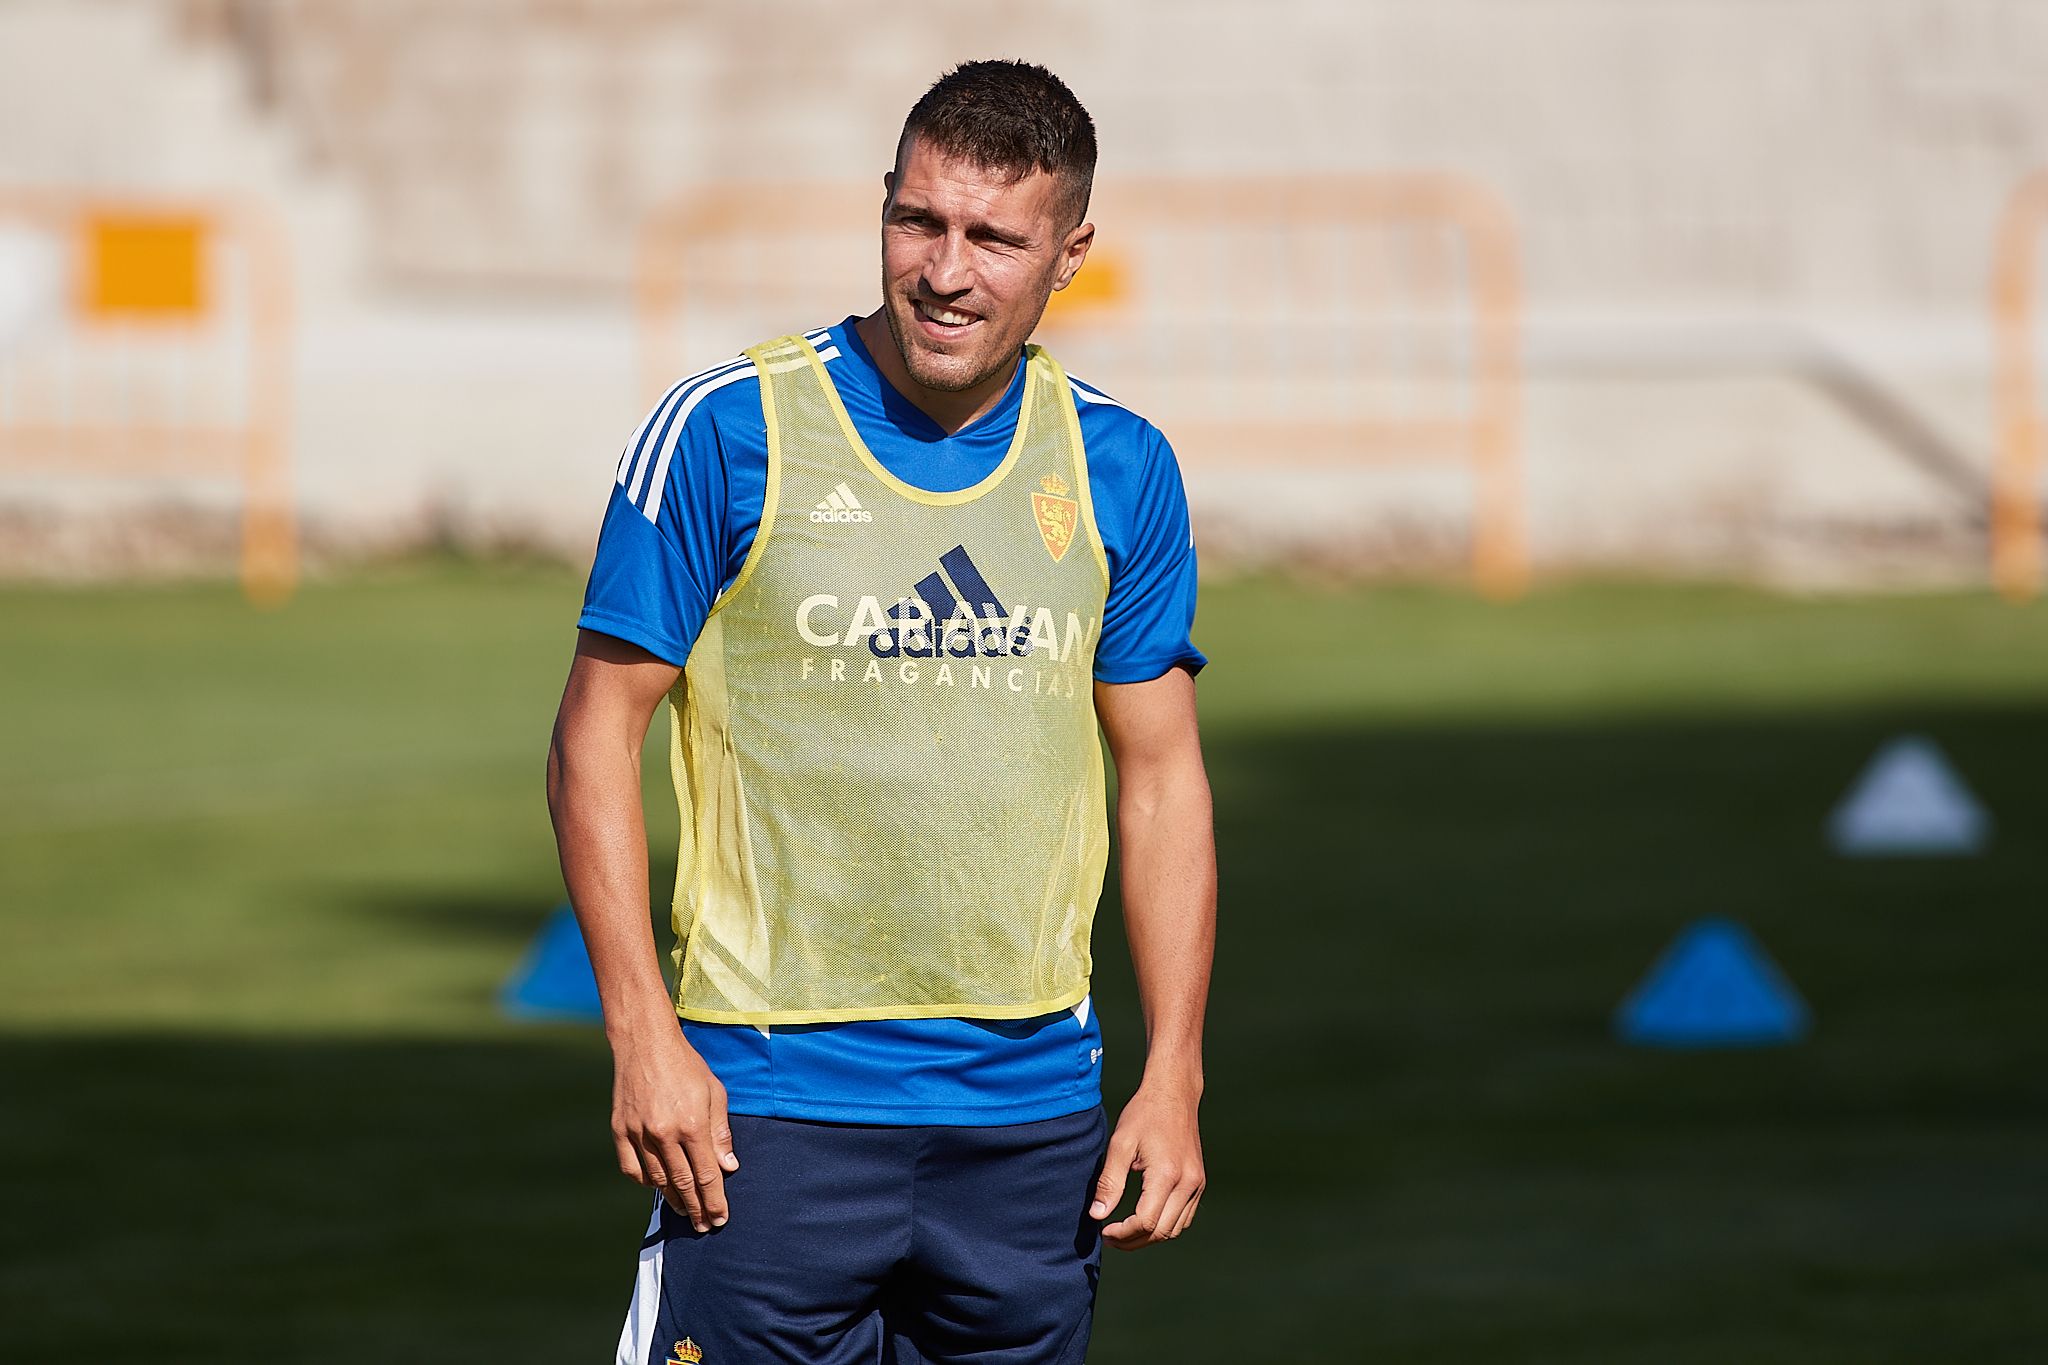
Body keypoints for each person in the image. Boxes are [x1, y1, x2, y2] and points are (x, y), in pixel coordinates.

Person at [546, 59, 1216, 1365]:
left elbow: (1163, 778)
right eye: (920, 221)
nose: (946, 270)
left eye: (993, 237)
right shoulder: (729, 430)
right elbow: (592, 737)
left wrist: (1174, 1067)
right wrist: (642, 1033)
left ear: (1069, 252)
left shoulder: (1118, 465)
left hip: (1032, 1122)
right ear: (885, 209)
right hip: (769, 1112)